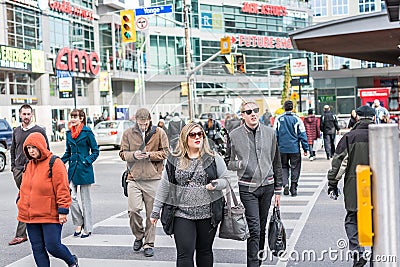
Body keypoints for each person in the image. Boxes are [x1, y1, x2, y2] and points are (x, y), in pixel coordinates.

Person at [150, 123, 227, 266]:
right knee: (185, 254)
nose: (197, 137)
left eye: (200, 134)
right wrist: (155, 211)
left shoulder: (213, 157)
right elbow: (165, 185)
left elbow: (226, 180)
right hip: (182, 214)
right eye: (193, 134)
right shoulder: (174, 160)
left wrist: (216, 184)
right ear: (185, 138)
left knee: (204, 251)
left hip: (208, 215)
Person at [227, 101, 282, 267]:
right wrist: (240, 164)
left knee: (262, 228)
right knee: (254, 229)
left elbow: (277, 161)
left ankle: (257, 262)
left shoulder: (270, 133)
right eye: (248, 111)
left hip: (268, 186)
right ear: (242, 115)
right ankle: (252, 264)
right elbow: (228, 162)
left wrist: (278, 189)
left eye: (255, 110)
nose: (253, 114)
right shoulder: (234, 135)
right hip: (247, 188)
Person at [17, 132, 79, 267]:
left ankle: (71, 261)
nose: (31, 151)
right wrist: (20, 201)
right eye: (28, 148)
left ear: (41, 146)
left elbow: (63, 188)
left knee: (53, 246)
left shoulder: (55, 163)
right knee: (37, 248)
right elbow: (25, 187)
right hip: (31, 215)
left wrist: (63, 210)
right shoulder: (29, 165)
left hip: (50, 214)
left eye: (34, 147)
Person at [327, 105, 376, 267]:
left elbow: (339, 163)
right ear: (374, 118)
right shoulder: (384, 136)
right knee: (378, 221)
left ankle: (358, 252)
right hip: (380, 188)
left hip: (355, 187)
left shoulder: (349, 137)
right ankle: (378, 257)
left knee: (352, 220)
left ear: (357, 118)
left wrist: (332, 183)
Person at [119, 108, 169, 257]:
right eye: (140, 124)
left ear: (149, 121)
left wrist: (150, 155)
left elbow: (166, 152)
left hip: (153, 178)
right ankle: (139, 236)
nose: (143, 127)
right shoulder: (128, 133)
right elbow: (122, 153)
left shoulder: (159, 132)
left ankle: (149, 243)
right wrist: (133, 155)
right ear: (136, 121)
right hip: (134, 177)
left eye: (145, 124)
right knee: (133, 210)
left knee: (151, 214)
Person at [9, 104, 49, 246]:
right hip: (19, 170)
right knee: (26, 199)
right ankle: (33, 229)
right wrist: (13, 167)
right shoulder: (16, 131)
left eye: (28, 114)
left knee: (24, 199)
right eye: (24, 114)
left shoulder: (39, 130)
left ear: (32, 115)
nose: (26, 117)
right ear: (20, 115)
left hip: (34, 170)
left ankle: (21, 234)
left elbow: (46, 150)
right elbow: (13, 149)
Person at [61, 109, 99, 238]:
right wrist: (59, 162)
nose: (72, 119)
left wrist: (86, 161)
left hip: (84, 169)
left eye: (75, 117)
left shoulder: (87, 132)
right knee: (70, 198)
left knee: (85, 200)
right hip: (72, 170)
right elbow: (68, 152)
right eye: (71, 116)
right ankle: (79, 223)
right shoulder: (68, 133)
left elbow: (95, 151)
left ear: (81, 118)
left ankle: (87, 228)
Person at [274, 100, 308, 197]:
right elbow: (302, 134)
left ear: (284, 108)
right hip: (294, 149)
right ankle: (294, 187)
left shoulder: (278, 119)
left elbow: (275, 135)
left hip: (282, 149)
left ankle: (285, 183)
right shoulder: (297, 119)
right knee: (295, 167)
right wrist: (305, 148)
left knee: (283, 167)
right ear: (292, 108)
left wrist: (275, 148)